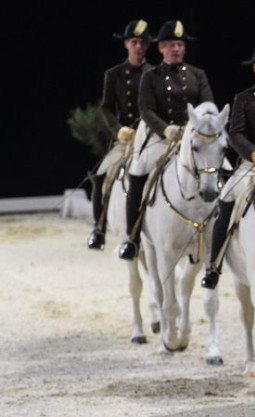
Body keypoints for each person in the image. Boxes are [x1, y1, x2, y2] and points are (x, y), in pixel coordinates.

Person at [118, 20, 214, 261]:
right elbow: (146, 110)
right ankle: (132, 237)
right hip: (162, 139)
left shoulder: (197, 74)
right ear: (161, 48)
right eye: (171, 45)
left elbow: (208, 106)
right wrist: (166, 130)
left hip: (193, 139)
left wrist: (197, 129)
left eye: (180, 45)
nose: (177, 49)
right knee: (138, 171)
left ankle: (221, 231)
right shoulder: (151, 76)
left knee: (220, 168)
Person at [200, 41, 255, 290]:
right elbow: (235, 134)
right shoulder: (244, 99)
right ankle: (214, 264)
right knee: (227, 196)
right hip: (253, 165)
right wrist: (254, 153)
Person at [87, 19, 153, 250]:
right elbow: (106, 107)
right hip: (125, 140)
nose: (139, 46)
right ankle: (99, 228)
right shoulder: (114, 74)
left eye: (143, 42)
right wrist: (119, 130)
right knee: (101, 174)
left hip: (151, 139)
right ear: (126, 44)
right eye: (134, 42)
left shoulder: (154, 73)